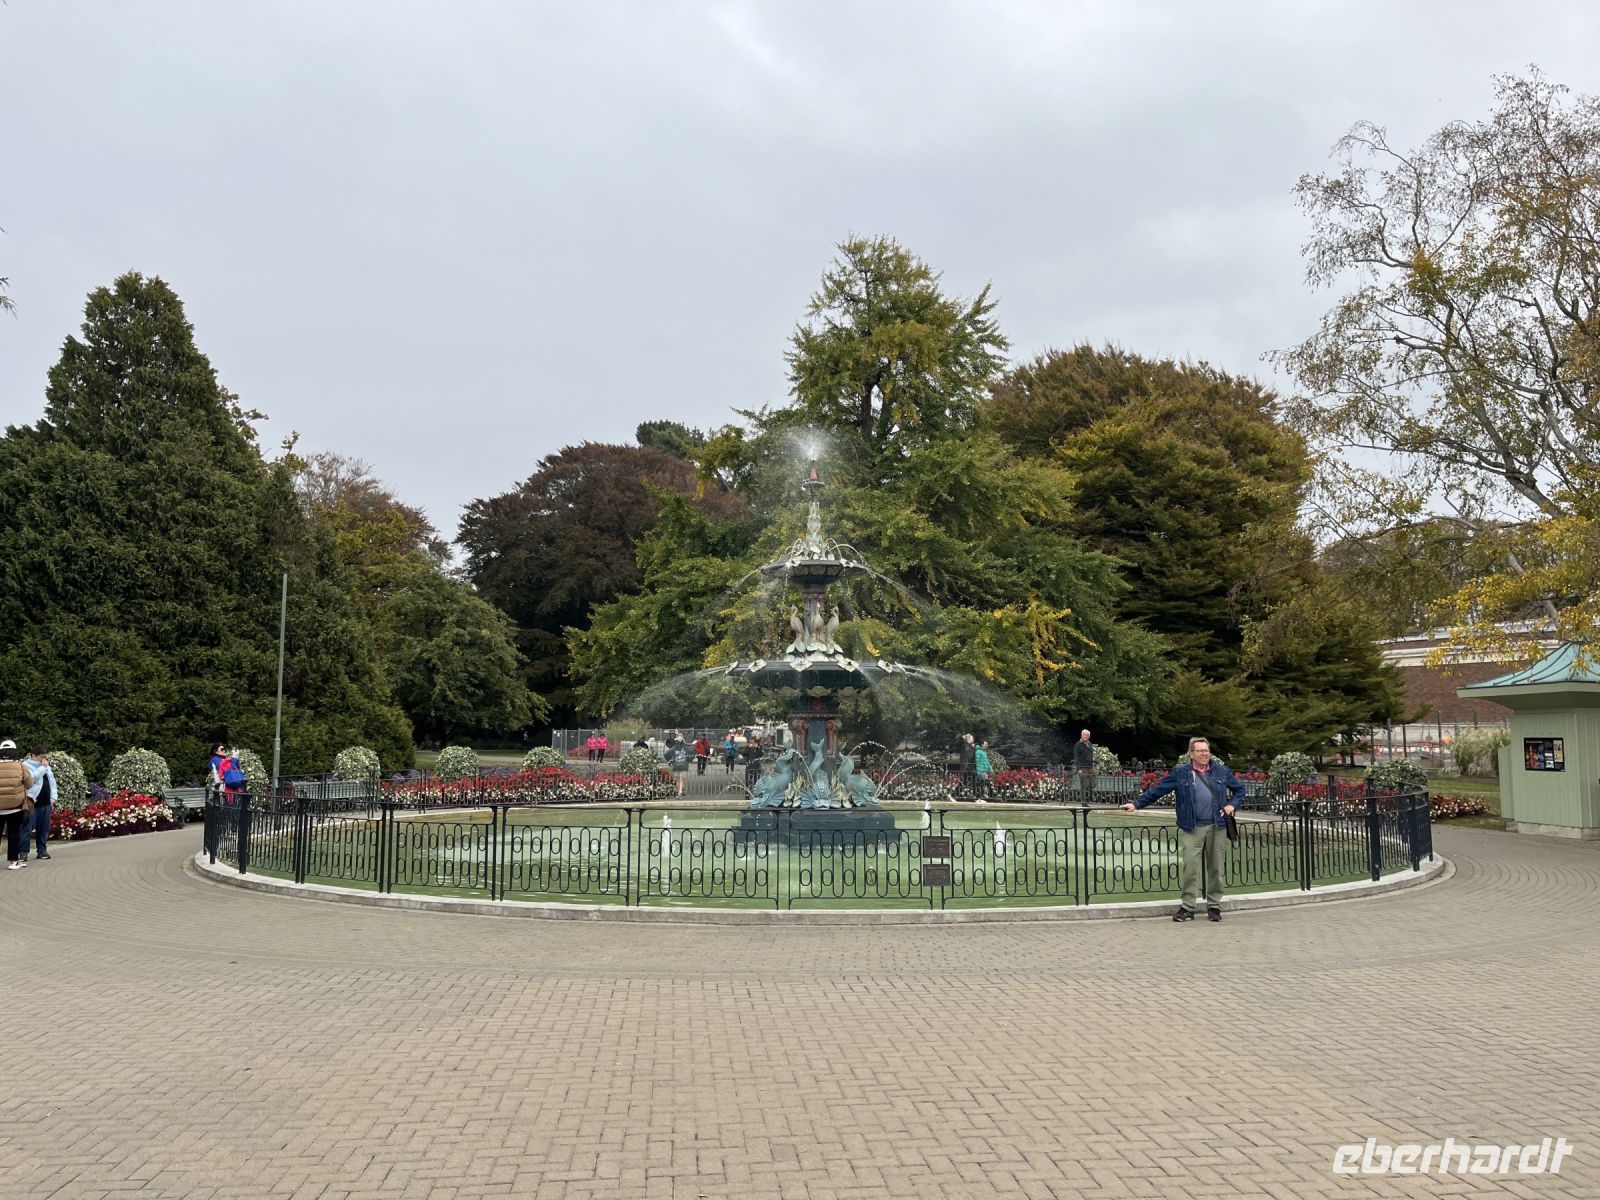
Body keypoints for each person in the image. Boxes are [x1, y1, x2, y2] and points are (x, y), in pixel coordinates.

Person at [1123, 736, 1244, 922]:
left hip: (1217, 826)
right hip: (1192, 827)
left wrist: (1232, 805)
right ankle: (1188, 907)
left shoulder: (1220, 770)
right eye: (1200, 751)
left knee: (1216, 868)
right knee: (1190, 868)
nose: (1204, 754)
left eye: (1206, 750)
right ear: (1191, 753)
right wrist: (1137, 804)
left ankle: (1214, 906)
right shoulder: (1181, 773)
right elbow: (1158, 790)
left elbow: (1240, 789)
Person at [1, 739, 36, 870]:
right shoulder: (21, 766)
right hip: (15, 806)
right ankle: (13, 861)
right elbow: (29, 783)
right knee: (14, 833)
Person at [21, 747, 56, 861]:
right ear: (33, 756)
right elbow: (31, 779)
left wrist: (53, 797)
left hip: (46, 802)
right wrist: (42, 768)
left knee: (44, 828)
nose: (43, 759)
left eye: (45, 757)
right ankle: (23, 852)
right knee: (27, 828)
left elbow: (52, 782)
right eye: (41, 757)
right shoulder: (25, 766)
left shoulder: (46, 767)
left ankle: (42, 851)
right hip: (32, 802)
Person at [1072, 729, 1095, 798]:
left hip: (1090, 767)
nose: (1085, 736)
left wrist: (1093, 766)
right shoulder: (1078, 744)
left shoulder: (1090, 744)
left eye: (1087, 735)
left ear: (1089, 736)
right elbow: (1076, 757)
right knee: (1084, 785)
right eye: (1084, 735)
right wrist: (1079, 769)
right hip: (1082, 767)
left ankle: (1089, 797)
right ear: (1081, 735)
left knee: (1092, 784)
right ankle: (1083, 802)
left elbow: (1091, 755)